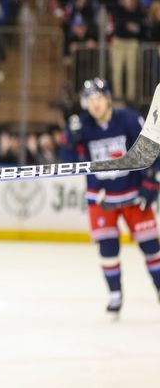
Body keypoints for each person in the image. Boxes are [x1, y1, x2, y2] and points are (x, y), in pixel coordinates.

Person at [61, 77, 160, 314]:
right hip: (101, 198)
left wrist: (151, 182)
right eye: (89, 100)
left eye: (98, 98)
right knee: (107, 249)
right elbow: (68, 162)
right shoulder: (82, 126)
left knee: (150, 247)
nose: (94, 104)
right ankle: (115, 293)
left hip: (134, 194)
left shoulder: (127, 119)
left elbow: (151, 149)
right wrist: (70, 139)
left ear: (108, 99)